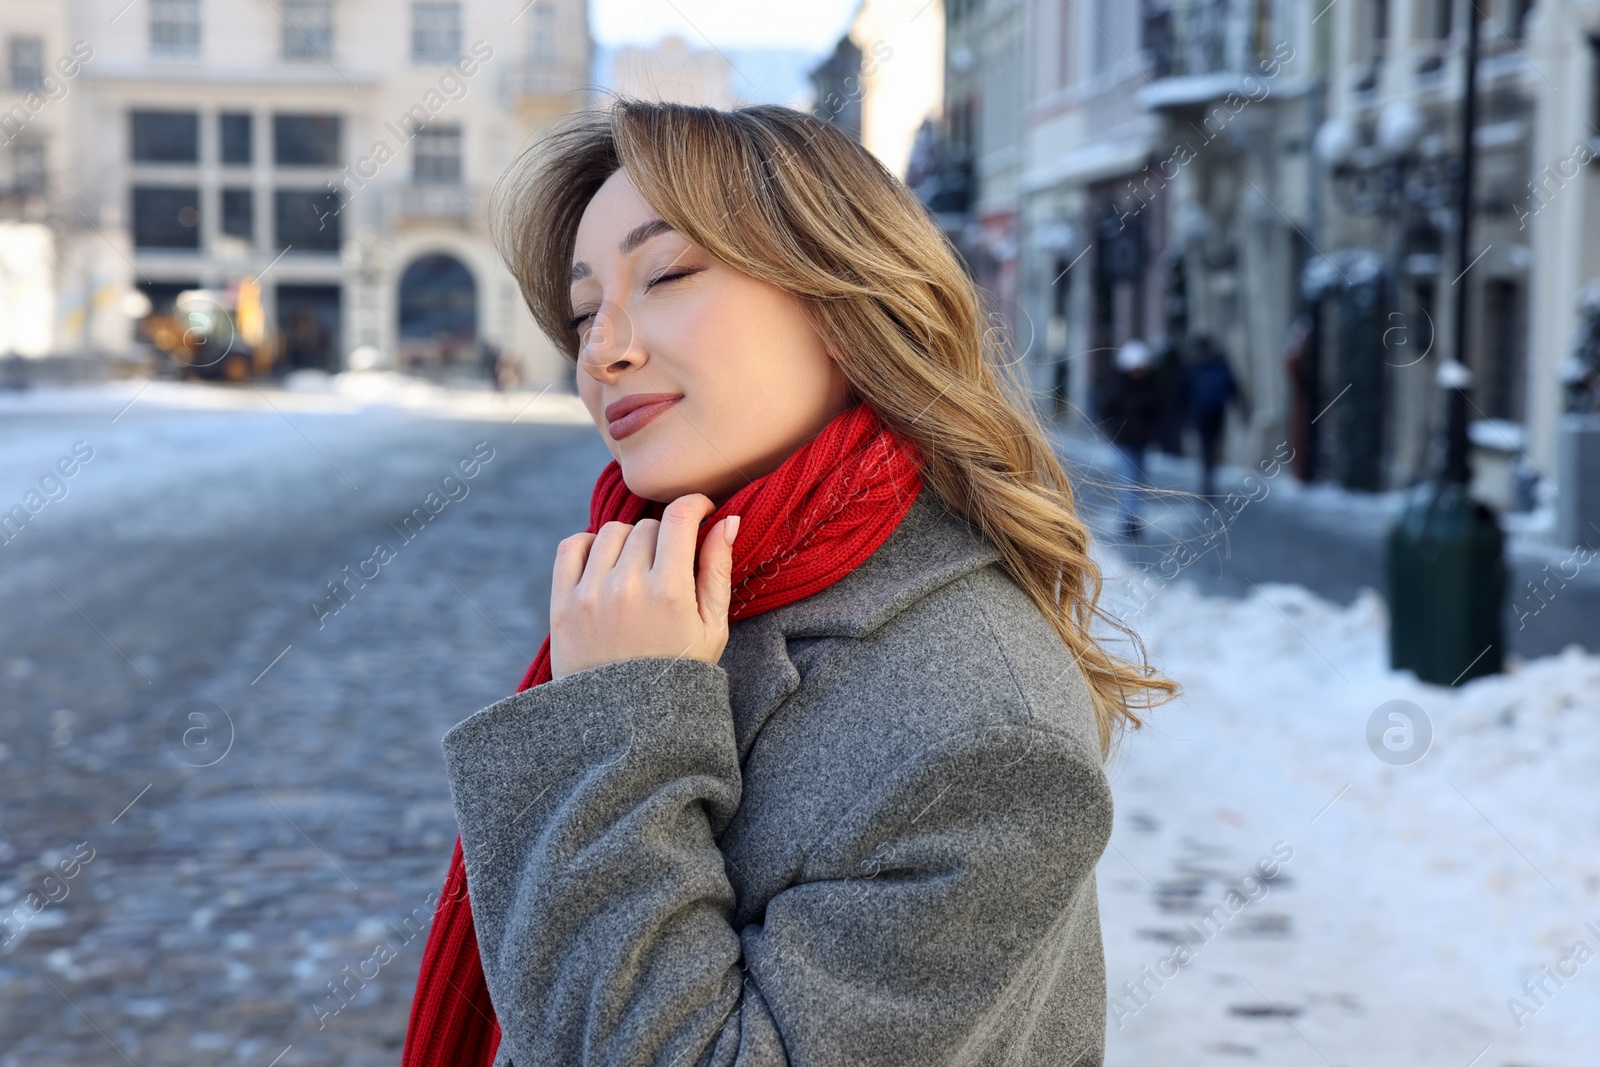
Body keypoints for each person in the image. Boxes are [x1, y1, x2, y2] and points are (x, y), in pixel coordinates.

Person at [401, 99, 1176, 1067]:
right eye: (583, 309)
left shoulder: (979, 726)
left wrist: (617, 722)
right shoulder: (681, 591)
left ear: (843, 304)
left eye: (669, 273)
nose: (602, 351)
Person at [1097, 338, 1163, 540]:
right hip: (1123, 441)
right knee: (1127, 480)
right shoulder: (1118, 385)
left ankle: (1133, 517)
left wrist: (1154, 432)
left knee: (1138, 480)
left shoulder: (1150, 385)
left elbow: (1159, 410)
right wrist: (1114, 430)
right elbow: (1105, 410)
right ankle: (1129, 520)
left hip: (1142, 441)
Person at [1182, 335, 1247, 497]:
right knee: (1213, 444)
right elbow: (1234, 388)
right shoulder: (1221, 363)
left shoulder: (1194, 365)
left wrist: (1182, 414)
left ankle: (1207, 479)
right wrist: (1242, 409)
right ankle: (1210, 477)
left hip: (1200, 412)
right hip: (1218, 411)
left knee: (1206, 445)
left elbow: (1182, 391)